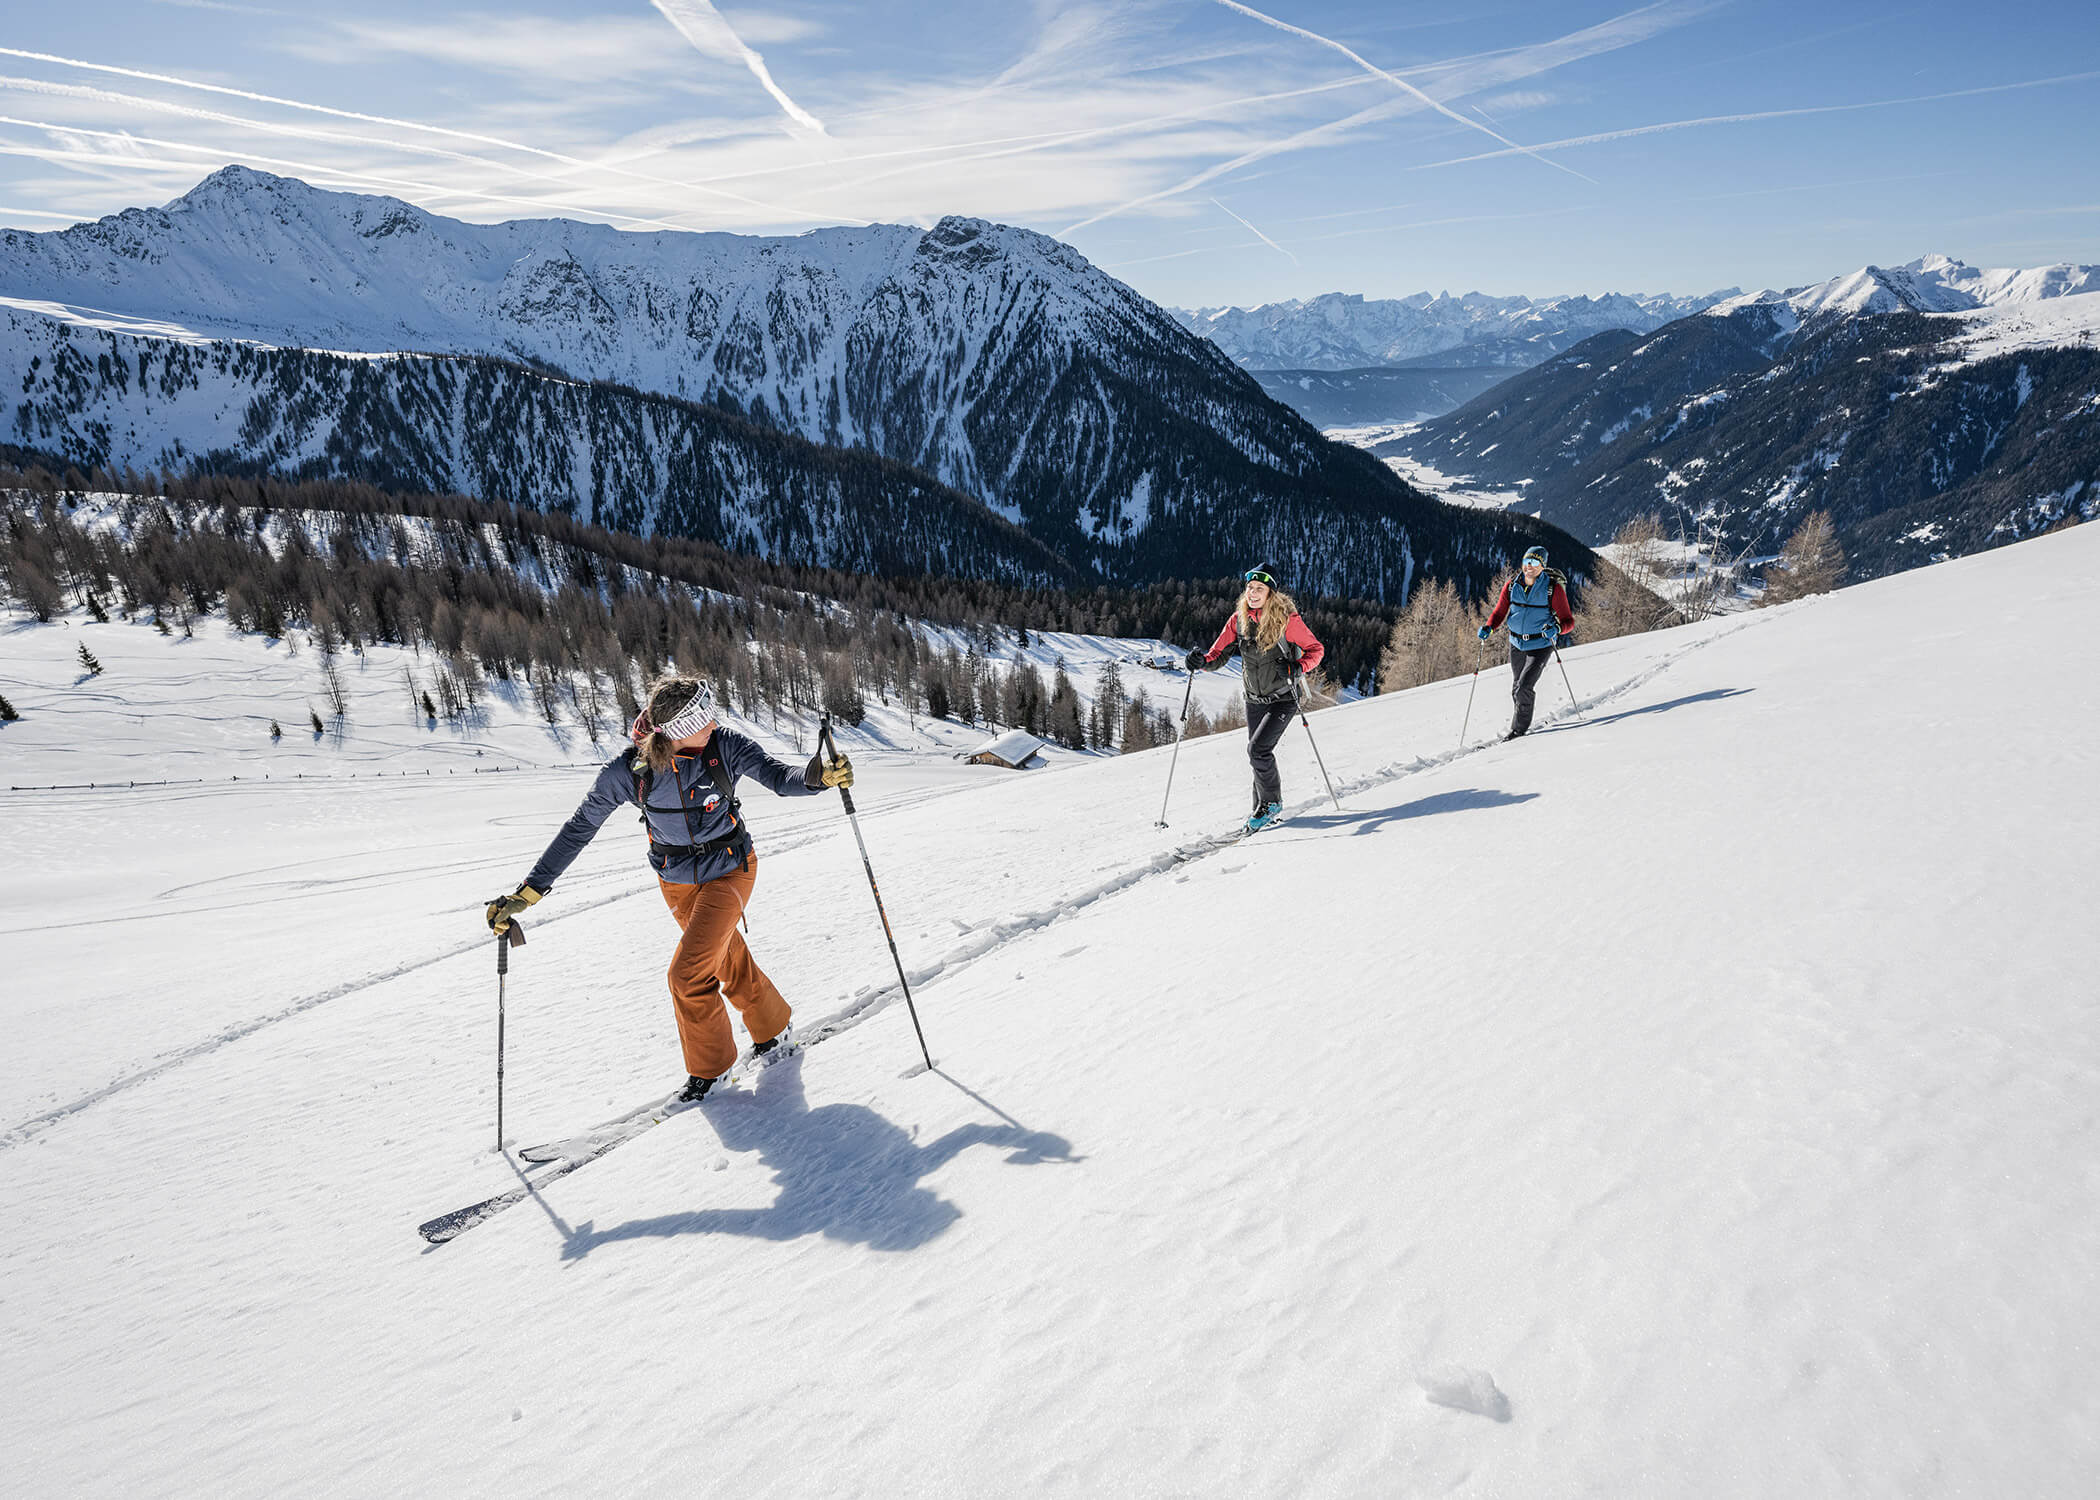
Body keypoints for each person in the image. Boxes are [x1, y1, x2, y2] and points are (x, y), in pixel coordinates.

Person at [483, 675, 854, 1103]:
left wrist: (818, 777)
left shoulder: (723, 746)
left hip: (731, 869)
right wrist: (530, 891)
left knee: (688, 973)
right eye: (704, 716)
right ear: (679, 729)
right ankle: (774, 1029)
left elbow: (778, 777)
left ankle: (712, 1070)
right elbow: (580, 827)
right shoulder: (630, 772)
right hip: (675, 881)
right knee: (723, 956)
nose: (714, 722)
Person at [1185, 563, 1326, 832]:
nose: (1252, 593)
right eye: (1249, 588)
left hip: (1283, 697)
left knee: (1257, 751)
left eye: (1259, 588)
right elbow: (1217, 654)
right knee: (1257, 757)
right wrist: (1199, 661)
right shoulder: (1238, 620)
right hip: (1254, 700)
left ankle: (1271, 804)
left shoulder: (1287, 620)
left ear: (1271, 593)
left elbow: (1316, 650)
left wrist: (1299, 667)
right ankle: (1260, 811)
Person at [1479, 545, 1575, 739]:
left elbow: (1568, 621)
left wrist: (1556, 629)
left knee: (1524, 687)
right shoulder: (1512, 585)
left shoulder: (1552, 589)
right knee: (1517, 687)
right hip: (1516, 643)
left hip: (1541, 645)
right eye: (1526, 562)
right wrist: (1489, 626)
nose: (1529, 567)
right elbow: (1499, 612)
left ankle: (1518, 730)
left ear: (1542, 566)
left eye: (1534, 563)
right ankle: (1520, 720)